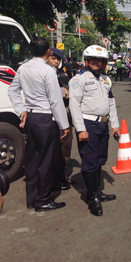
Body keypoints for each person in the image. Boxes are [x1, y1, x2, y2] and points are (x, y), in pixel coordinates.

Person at [8, 37, 70, 211]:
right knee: (46, 161)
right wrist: (63, 124)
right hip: (45, 119)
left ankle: (32, 198)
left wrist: (22, 109)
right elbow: (55, 100)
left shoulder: (23, 68)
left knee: (33, 160)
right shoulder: (48, 70)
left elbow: (12, 91)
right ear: (48, 51)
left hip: (32, 118)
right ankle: (43, 199)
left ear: (30, 51)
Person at [69, 45, 120, 216]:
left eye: (101, 61)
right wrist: (80, 129)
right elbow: (74, 105)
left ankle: (97, 191)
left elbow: (111, 103)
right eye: (93, 60)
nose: (97, 63)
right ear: (86, 61)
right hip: (88, 125)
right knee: (89, 161)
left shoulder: (106, 80)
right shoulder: (79, 79)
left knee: (100, 159)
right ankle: (92, 198)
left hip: (103, 125)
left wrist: (115, 124)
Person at [47, 48, 75, 190]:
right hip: (51, 118)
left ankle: (63, 176)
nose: (56, 61)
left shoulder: (62, 73)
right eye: (53, 58)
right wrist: (64, 92)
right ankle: (54, 179)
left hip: (66, 114)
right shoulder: (45, 74)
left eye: (58, 59)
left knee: (66, 147)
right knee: (53, 150)